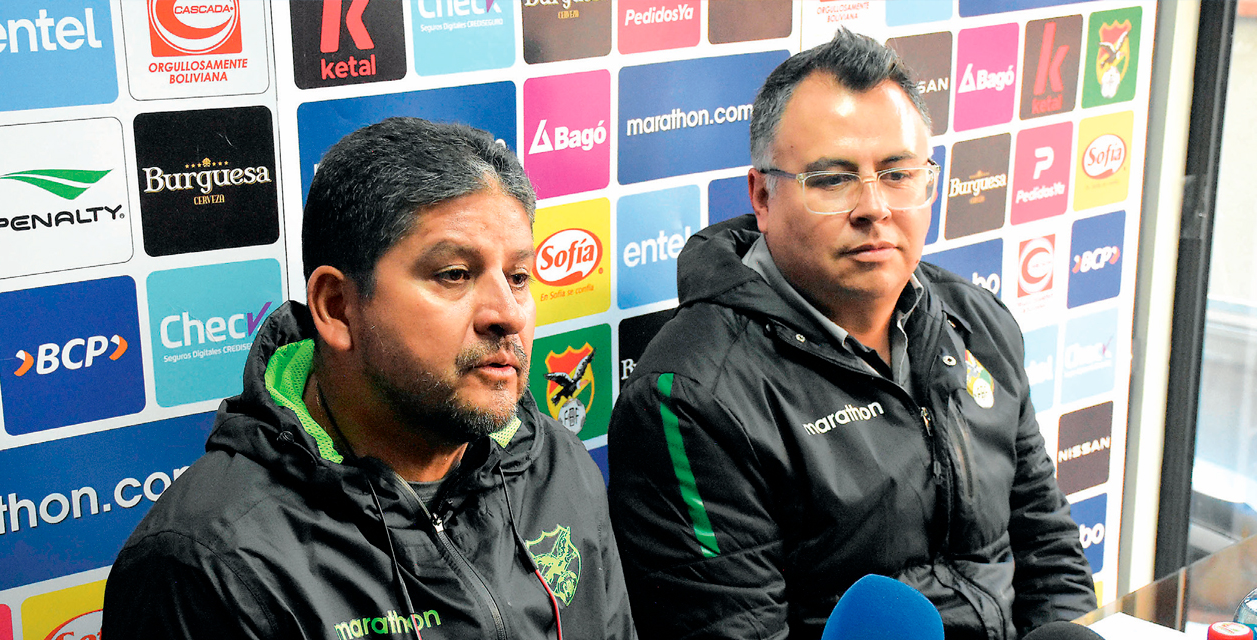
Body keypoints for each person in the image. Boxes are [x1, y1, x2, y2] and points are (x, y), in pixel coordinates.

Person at [607, 29, 1096, 640]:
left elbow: (1045, 546)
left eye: (897, 173)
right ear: (762, 195)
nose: (874, 206)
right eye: (832, 179)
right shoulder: (691, 399)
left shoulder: (980, 321)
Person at [103, 118, 636, 639]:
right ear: (337, 308)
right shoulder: (207, 564)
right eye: (454, 274)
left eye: (518, 277)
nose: (509, 313)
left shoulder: (556, 463)